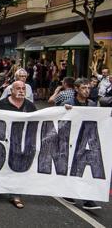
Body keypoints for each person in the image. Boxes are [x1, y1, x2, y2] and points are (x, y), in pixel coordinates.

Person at [60, 78, 102, 210]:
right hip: (70, 140)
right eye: (84, 88)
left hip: (86, 141)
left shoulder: (91, 104)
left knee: (86, 170)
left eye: (89, 88)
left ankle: (88, 199)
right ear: (76, 89)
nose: (87, 90)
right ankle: (68, 192)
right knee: (71, 167)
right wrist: (64, 109)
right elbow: (59, 120)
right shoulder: (68, 102)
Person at [0, 80, 37, 209]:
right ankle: (0, 185)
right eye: (18, 88)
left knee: (18, 167)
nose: (21, 91)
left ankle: (16, 195)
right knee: (3, 167)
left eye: (23, 88)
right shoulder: (1, 104)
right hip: (4, 142)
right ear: (11, 91)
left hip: (22, 143)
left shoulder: (30, 106)